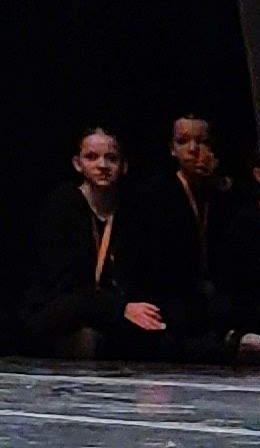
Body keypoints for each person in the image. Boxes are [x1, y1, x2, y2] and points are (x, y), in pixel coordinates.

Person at [23, 128, 182, 359]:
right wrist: (120, 308)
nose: (103, 165)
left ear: (124, 166)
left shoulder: (132, 212)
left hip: (110, 309)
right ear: (78, 164)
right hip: (64, 308)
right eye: (92, 157)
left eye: (112, 158)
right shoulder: (62, 206)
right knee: (82, 326)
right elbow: (64, 285)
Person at [128, 114, 260, 357]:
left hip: (216, 289)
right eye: (184, 141)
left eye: (202, 142)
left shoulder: (222, 192)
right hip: (172, 291)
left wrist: (218, 183)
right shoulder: (156, 194)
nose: (194, 149)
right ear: (172, 149)